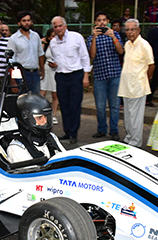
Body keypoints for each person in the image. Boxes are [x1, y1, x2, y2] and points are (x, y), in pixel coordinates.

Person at [50, 16, 92, 144]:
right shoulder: (53, 43)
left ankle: (74, 132)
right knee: (64, 105)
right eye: (55, 27)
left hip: (75, 75)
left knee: (75, 105)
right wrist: (53, 65)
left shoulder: (76, 37)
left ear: (65, 25)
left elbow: (85, 57)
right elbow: (54, 60)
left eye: (60, 26)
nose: (58, 29)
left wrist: (86, 75)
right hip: (61, 76)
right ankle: (67, 131)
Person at [117, 19, 155, 148]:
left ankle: (135, 142)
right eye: (127, 30)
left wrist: (145, 79)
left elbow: (151, 65)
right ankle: (129, 138)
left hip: (138, 86)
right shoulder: (127, 44)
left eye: (133, 29)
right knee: (128, 115)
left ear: (138, 30)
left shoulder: (144, 45)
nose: (130, 32)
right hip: (126, 86)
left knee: (136, 117)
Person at [87, 11, 124, 141]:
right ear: (95, 23)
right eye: (99, 20)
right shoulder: (91, 38)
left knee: (114, 106)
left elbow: (121, 51)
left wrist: (113, 37)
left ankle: (114, 130)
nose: (102, 22)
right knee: (100, 107)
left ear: (107, 21)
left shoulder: (115, 34)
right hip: (100, 77)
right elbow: (92, 55)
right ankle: (101, 129)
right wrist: (94, 38)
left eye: (104, 20)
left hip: (115, 75)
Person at [6, 93, 65, 164]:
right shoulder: (16, 148)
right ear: (26, 119)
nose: (45, 121)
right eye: (39, 117)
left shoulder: (52, 137)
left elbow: (67, 159)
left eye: (46, 116)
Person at [7, 11, 45, 94]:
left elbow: (40, 54)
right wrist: (13, 81)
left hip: (35, 73)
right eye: (24, 21)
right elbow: (12, 61)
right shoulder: (13, 39)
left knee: (35, 99)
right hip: (21, 73)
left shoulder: (36, 36)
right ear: (19, 23)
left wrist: (42, 69)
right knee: (22, 100)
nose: (27, 23)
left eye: (28, 20)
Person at [40, 28, 59, 125]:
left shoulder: (60, 46)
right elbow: (40, 55)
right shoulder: (46, 45)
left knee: (55, 95)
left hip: (55, 71)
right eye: (52, 36)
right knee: (42, 93)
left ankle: (54, 115)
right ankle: (41, 114)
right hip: (46, 70)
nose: (54, 38)